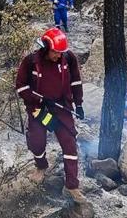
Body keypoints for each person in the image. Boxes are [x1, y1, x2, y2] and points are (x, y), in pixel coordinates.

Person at [15, 27, 86, 204]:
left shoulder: (68, 59)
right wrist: (38, 99)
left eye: (61, 52)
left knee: (69, 144)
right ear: (46, 47)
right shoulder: (31, 61)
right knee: (37, 141)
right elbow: (21, 86)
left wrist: (79, 104)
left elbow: (76, 81)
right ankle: (41, 166)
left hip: (62, 108)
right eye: (55, 52)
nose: (58, 56)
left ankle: (72, 186)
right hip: (39, 110)